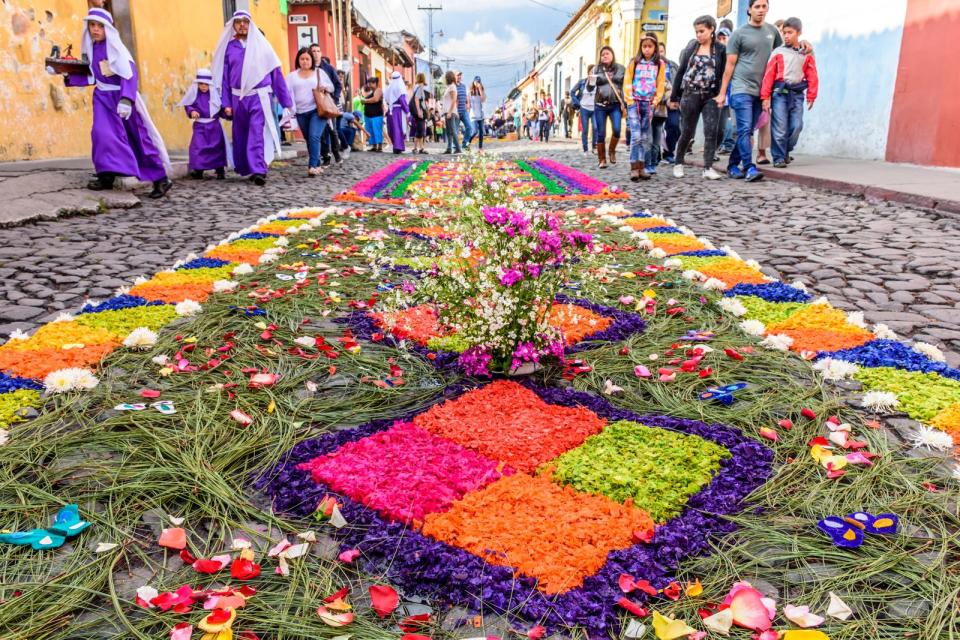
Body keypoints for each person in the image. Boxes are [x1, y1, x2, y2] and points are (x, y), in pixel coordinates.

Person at [55, 7, 172, 198]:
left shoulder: (117, 49)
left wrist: (127, 99)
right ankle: (106, 175)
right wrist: (66, 74)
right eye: (92, 25)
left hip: (121, 99)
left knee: (137, 138)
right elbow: (91, 77)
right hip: (102, 98)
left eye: (100, 26)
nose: (95, 29)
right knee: (101, 135)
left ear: (108, 28)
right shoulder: (92, 49)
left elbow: (129, 74)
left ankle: (160, 179)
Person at [212, 11, 292, 186]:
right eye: (238, 22)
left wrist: (286, 101)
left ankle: (258, 170)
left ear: (251, 24)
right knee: (241, 133)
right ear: (233, 25)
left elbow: (276, 73)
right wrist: (225, 102)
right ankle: (247, 167)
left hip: (259, 96)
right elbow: (224, 77)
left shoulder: (262, 46)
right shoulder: (229, 47)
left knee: (256, 132)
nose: (242, 25)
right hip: (237, 98)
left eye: (245, 22)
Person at [669, 15, 726, 180]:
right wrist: (674, 96)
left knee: (711, 131)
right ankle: (678, 162)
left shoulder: (720, 49)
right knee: (687, 131)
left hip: (711, 96)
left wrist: (721, 93)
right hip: (690, 94)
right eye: (696, 32)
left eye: (702, 31)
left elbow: (723, 73)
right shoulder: (692, 46)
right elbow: (681, 71)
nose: (699, 35)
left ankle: (708, 167)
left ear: (711, 29)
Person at [761, 17, 818, 167]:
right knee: (779, 127)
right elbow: (769, 75)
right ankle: (778, 157)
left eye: (790, 33)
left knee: (796, 126)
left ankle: (786, 150)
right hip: (779, 93)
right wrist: (765, 97)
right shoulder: (778, 52)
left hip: (797, 94)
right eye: (784, 33)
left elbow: (812, 74)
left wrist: (812, 95)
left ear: (799, 32)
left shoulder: (806, 53)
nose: (786, 36)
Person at [624, 33, 666, 181]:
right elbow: (627, 81)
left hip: (648, 103)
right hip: (634, 102)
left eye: (650, 46)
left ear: (655, 48)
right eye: (644, 46)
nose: (647, 49)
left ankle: (642, 167)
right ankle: (634, 167)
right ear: (640, 47)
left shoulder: (659, 64)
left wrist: (655, 100)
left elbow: (661, 83)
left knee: (644, 137)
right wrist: (629, 99)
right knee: (635, 136)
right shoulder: (634, 62)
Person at [285, 47, 332, 176]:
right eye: (302, 59)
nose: (305, 61)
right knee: (309, 139)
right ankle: (316, 164)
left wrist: (325, 87)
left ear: (312, 60)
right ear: (298, 60)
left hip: (318, 110)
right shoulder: (292, 76)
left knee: (314, 136)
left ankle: (312, 166)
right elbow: (285, 92)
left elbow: (331, 87)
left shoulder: (319, 72)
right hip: (300, 112)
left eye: (307, 59)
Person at [179, 69, 228, 180]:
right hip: (200, 126)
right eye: (201, 84)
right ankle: (199, 170)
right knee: (198, 147)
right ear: (197, 84)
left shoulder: (214, 95)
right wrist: (192, 111)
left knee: (217, 148)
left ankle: (220, 170)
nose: (203, 86)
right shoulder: (194, 94)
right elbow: (188, 104)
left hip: (214, 126)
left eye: (206, 84)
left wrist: (226, 113)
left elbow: (219, 108)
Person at [593, 46, 625, 169]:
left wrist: (625, 103)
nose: (604, 56)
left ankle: (612, 150)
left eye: (607, 53)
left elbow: (626, 86)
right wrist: (590, 82)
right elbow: (590, 88)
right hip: (600, 105)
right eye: (602, 54)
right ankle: (602, 159)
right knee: (601, 133)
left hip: (615, 105)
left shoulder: (621, 69)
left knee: (617, 129)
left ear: (612, 55)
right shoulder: (596, 69)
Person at [715, 25, 735, 154]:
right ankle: (719, 146)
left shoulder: (732, 54)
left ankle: (727, 144)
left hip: (730, 92)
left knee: (728, 120)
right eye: (719, 38)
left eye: (724, 38)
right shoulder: (715, 54)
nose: (722, 41)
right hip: (717, 92)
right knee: (718, 123)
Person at [570, 65, 597, 156]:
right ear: (588, 73)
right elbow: (572, 92)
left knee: (595, 128)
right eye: (591, 72)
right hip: (584, 109)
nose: (593, 74)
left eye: (595, 72)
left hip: (594, 108)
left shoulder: (598, 83)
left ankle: (594, 147)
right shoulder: (582, 82)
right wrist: (578, 103)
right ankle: (585, 149)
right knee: (585, 129)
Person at [383, 71, 409, 154]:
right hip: (398, 111)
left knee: (393, 129)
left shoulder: (389, 87)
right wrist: (407, 111)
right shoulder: (400, 87)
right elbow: (402, 100)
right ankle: (398, 147)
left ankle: (395, 146)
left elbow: (386, 99)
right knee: (398, 128)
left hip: (391, 110)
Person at [361, 77, 384, 152]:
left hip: (376, 114)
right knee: (370, 130)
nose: (369, 84)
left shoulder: (378, 90)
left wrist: (365, 100)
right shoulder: (371, 91)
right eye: (369, 83)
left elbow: (375, 99)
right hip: (368, 115)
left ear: (375, 83)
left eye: (371, 83)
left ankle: (379, 146)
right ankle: (374, 146)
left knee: (377, 130)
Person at [442, 70, 462, 154]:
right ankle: (449, 148)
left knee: (453, 131)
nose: (445, 78)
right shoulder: (450, 86)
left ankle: (458, 148)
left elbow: (454, 100)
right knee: (449, 131)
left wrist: (450, 112)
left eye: (446, 77)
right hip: (449, 111)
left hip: (450, 112)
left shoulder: (452, 87)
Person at [410, 73, 429, 154]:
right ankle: (420, 148)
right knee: (420, 130)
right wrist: (419, 111)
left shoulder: (416, 87)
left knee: (419, 130)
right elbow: (417, 100)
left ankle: (417, 148)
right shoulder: (420, 87)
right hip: (420, 111)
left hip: (418, 111)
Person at [454, 71, 473, 150]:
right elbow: (453, 100)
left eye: (460, 75)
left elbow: (466, 97)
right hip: (456, 112)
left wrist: (468, 105)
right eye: (458, 75)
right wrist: (455, 111)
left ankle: (465, 143)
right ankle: (454, 146)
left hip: (464, 111)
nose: (459, 77)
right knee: (456, 130)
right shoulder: (453, 86)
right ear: (454, 76)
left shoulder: (463, 86)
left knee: (469, 127)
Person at [468, 76, 486, 150]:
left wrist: (480, 89)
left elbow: (483, 100)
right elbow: (468, 104)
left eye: (479, 82)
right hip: (473, 115)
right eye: (476, 82)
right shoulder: (470, 92)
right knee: (474, 131)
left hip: (480, 115)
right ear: (473, 82)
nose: (477, 83)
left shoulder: (481, 91)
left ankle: (480, 147)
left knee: (481, 132)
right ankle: (467, 143)